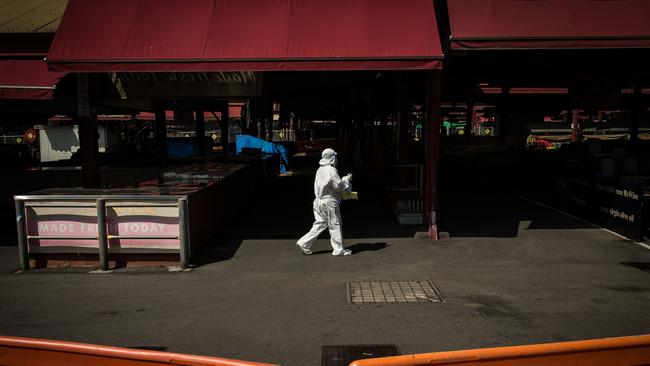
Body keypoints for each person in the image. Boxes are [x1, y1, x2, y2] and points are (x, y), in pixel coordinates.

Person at [296, 148, 353, 256]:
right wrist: (346, 179)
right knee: (335, 224)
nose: (336, 160)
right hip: (329, 202)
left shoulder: (320, 169)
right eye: (335, 158)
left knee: (320, 224)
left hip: (318, 201)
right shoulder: (331, 170)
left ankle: (304, 243)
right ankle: (338, 249)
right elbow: (338, 187)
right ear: (332, 159)